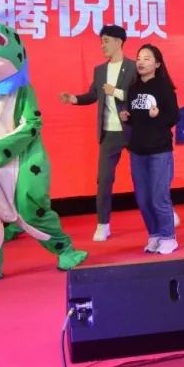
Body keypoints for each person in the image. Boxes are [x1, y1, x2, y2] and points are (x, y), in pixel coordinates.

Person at [60, 24, 135, 242]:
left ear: (119, 42)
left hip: (133, 130)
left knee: (145, 176)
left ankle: (165, 211)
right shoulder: (100, 70)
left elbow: (139, 95)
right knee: (104, 180)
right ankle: (103, 224)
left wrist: (116, 92)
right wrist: (74, 99)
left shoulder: (133, 67)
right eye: (101, 42)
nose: (103, 46)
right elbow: (93, 94)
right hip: (108, 133)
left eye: (106, 41)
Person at [119, 44, 181, 255]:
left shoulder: (164, 87)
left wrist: (158, 115)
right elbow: (137, 119)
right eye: (139, 58)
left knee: (158, 197)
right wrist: (127, 117)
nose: (141, 62)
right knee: (143, 199)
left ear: (157, 64)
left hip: (159, 151)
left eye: (147, 58)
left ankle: (168, 237)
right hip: (137, 150)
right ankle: (154, 235)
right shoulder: (134, 88)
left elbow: (174, 116)